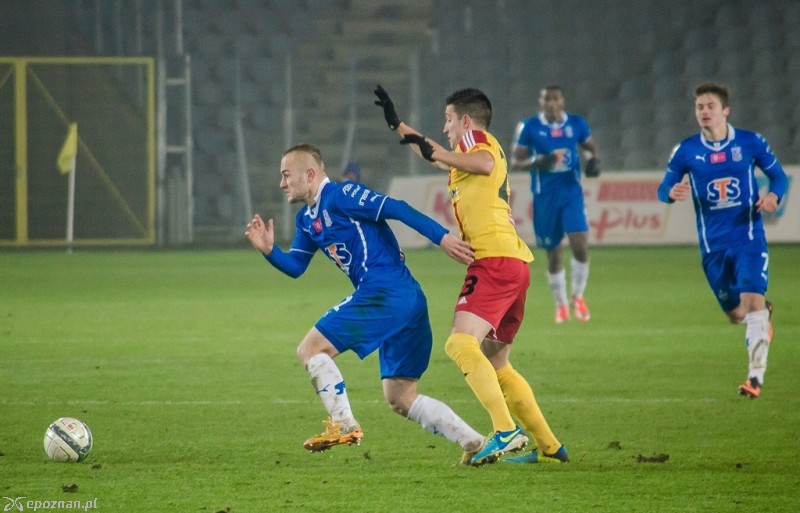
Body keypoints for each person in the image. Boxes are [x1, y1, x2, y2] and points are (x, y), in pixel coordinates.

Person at [245, 143, 486, 462]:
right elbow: (295, 267)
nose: (282, 183)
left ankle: (343, 424)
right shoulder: (308, 220)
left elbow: (397, 207)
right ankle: (476, 443)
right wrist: (269, 251)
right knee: (400, 397)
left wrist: (442, 237)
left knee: (310, 349)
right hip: (407, 300)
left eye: (286, 175)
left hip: (385, 292)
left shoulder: (342, 196)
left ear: (311, 174)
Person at [374, 85, 568, 465]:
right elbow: (438, 155)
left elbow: (482, 163)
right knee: (496, 361)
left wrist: (437, 149)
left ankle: (505, 430)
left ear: (465, 120)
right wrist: (398, 126)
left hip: (494, 260)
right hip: (512, 262)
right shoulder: (462, 153)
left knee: (460, 344)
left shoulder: (478, 140)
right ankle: (549, 447)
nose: (444, 129)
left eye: (448, 120)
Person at [657, 82, 788, 399]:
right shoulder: (687, 150)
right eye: (699, 107)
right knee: (736, 315)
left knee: (753, 302)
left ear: (725, 110)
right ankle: (760, 317)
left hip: (748, 238)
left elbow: (779, 177)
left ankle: (754, 379)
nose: (704, 112)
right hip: (713, 247)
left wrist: (773, 196)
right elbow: (664, 188)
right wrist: (670, 194)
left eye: (710, 106)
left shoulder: (749, 142)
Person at [510, 86, 600, 324]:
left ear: (562, 101)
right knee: (554, 253)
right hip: (545, 197)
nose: (551, 103)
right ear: (541, 103)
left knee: (580, 244)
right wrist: (539, 161)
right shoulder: (529, 127)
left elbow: (590, 148)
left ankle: (578, 297)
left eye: (555, 99)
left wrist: (593, 161)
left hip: (571, 192)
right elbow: (515, 162)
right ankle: (560, 304)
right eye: (546, 99)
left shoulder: (577, 124)